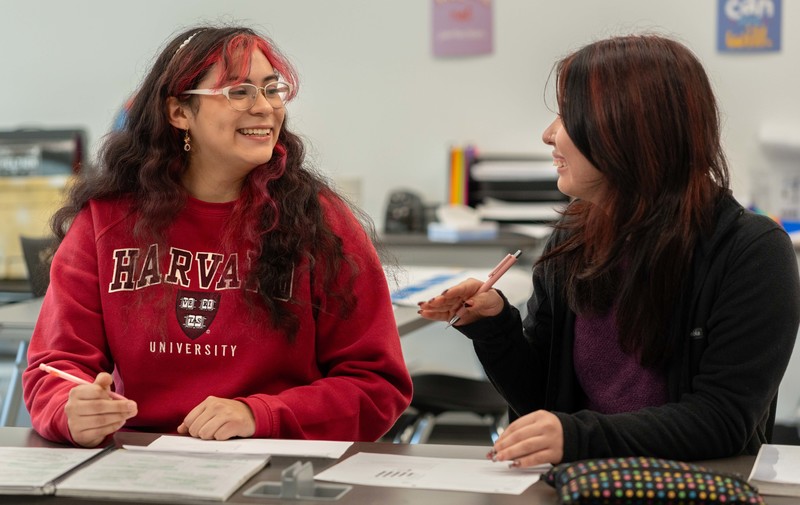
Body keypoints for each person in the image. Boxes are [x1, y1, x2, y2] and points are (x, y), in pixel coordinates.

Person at [419, 34, 800, 467]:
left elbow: (720, 419)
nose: (548, 135)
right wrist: (494, 325)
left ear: (626, 129)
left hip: (689, 486)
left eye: (566, 116)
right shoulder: (572, 239)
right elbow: (539, 400)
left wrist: (579, 437)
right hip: (579, 482)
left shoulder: (750, 252)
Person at [23, 25, 412, 448]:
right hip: (138, 462)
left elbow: (377, 385)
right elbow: (54, 368)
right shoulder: (106, 219)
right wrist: (71, 409)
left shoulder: (320, 222)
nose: (264, 108)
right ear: (179, 112)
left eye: (272, 90)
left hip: (276, 463)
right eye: (239, 92)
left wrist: (258, 413)